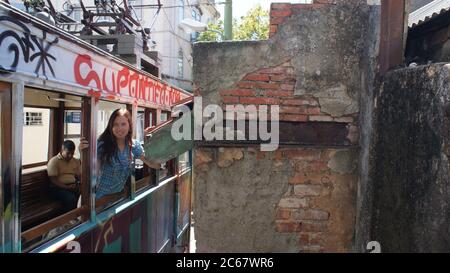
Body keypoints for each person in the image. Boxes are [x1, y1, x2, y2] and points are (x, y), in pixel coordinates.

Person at [79, 109, 161, 199]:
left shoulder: (133, 146)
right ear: (111, 127)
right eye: (116, 124)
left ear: (129, 125)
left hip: (117, 200)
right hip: (97, 201)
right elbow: (91, 172)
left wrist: (153, 139)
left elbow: (155, 164)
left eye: (123, 124)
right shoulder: (102, 145)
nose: (119, 128)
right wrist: (83, 153)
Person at [47, 140, 81, 212]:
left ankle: (80, 216)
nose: (70, 156)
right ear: (62, 150)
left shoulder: (75, 161)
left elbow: (78, 176)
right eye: (68, 153)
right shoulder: (54, 161)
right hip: (58, 189)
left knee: (84, 195)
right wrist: (67, 187)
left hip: (72, 186)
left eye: (72, 153)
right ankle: (68, 219)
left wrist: (78, 184)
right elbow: (53, 180)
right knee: (71, 199)